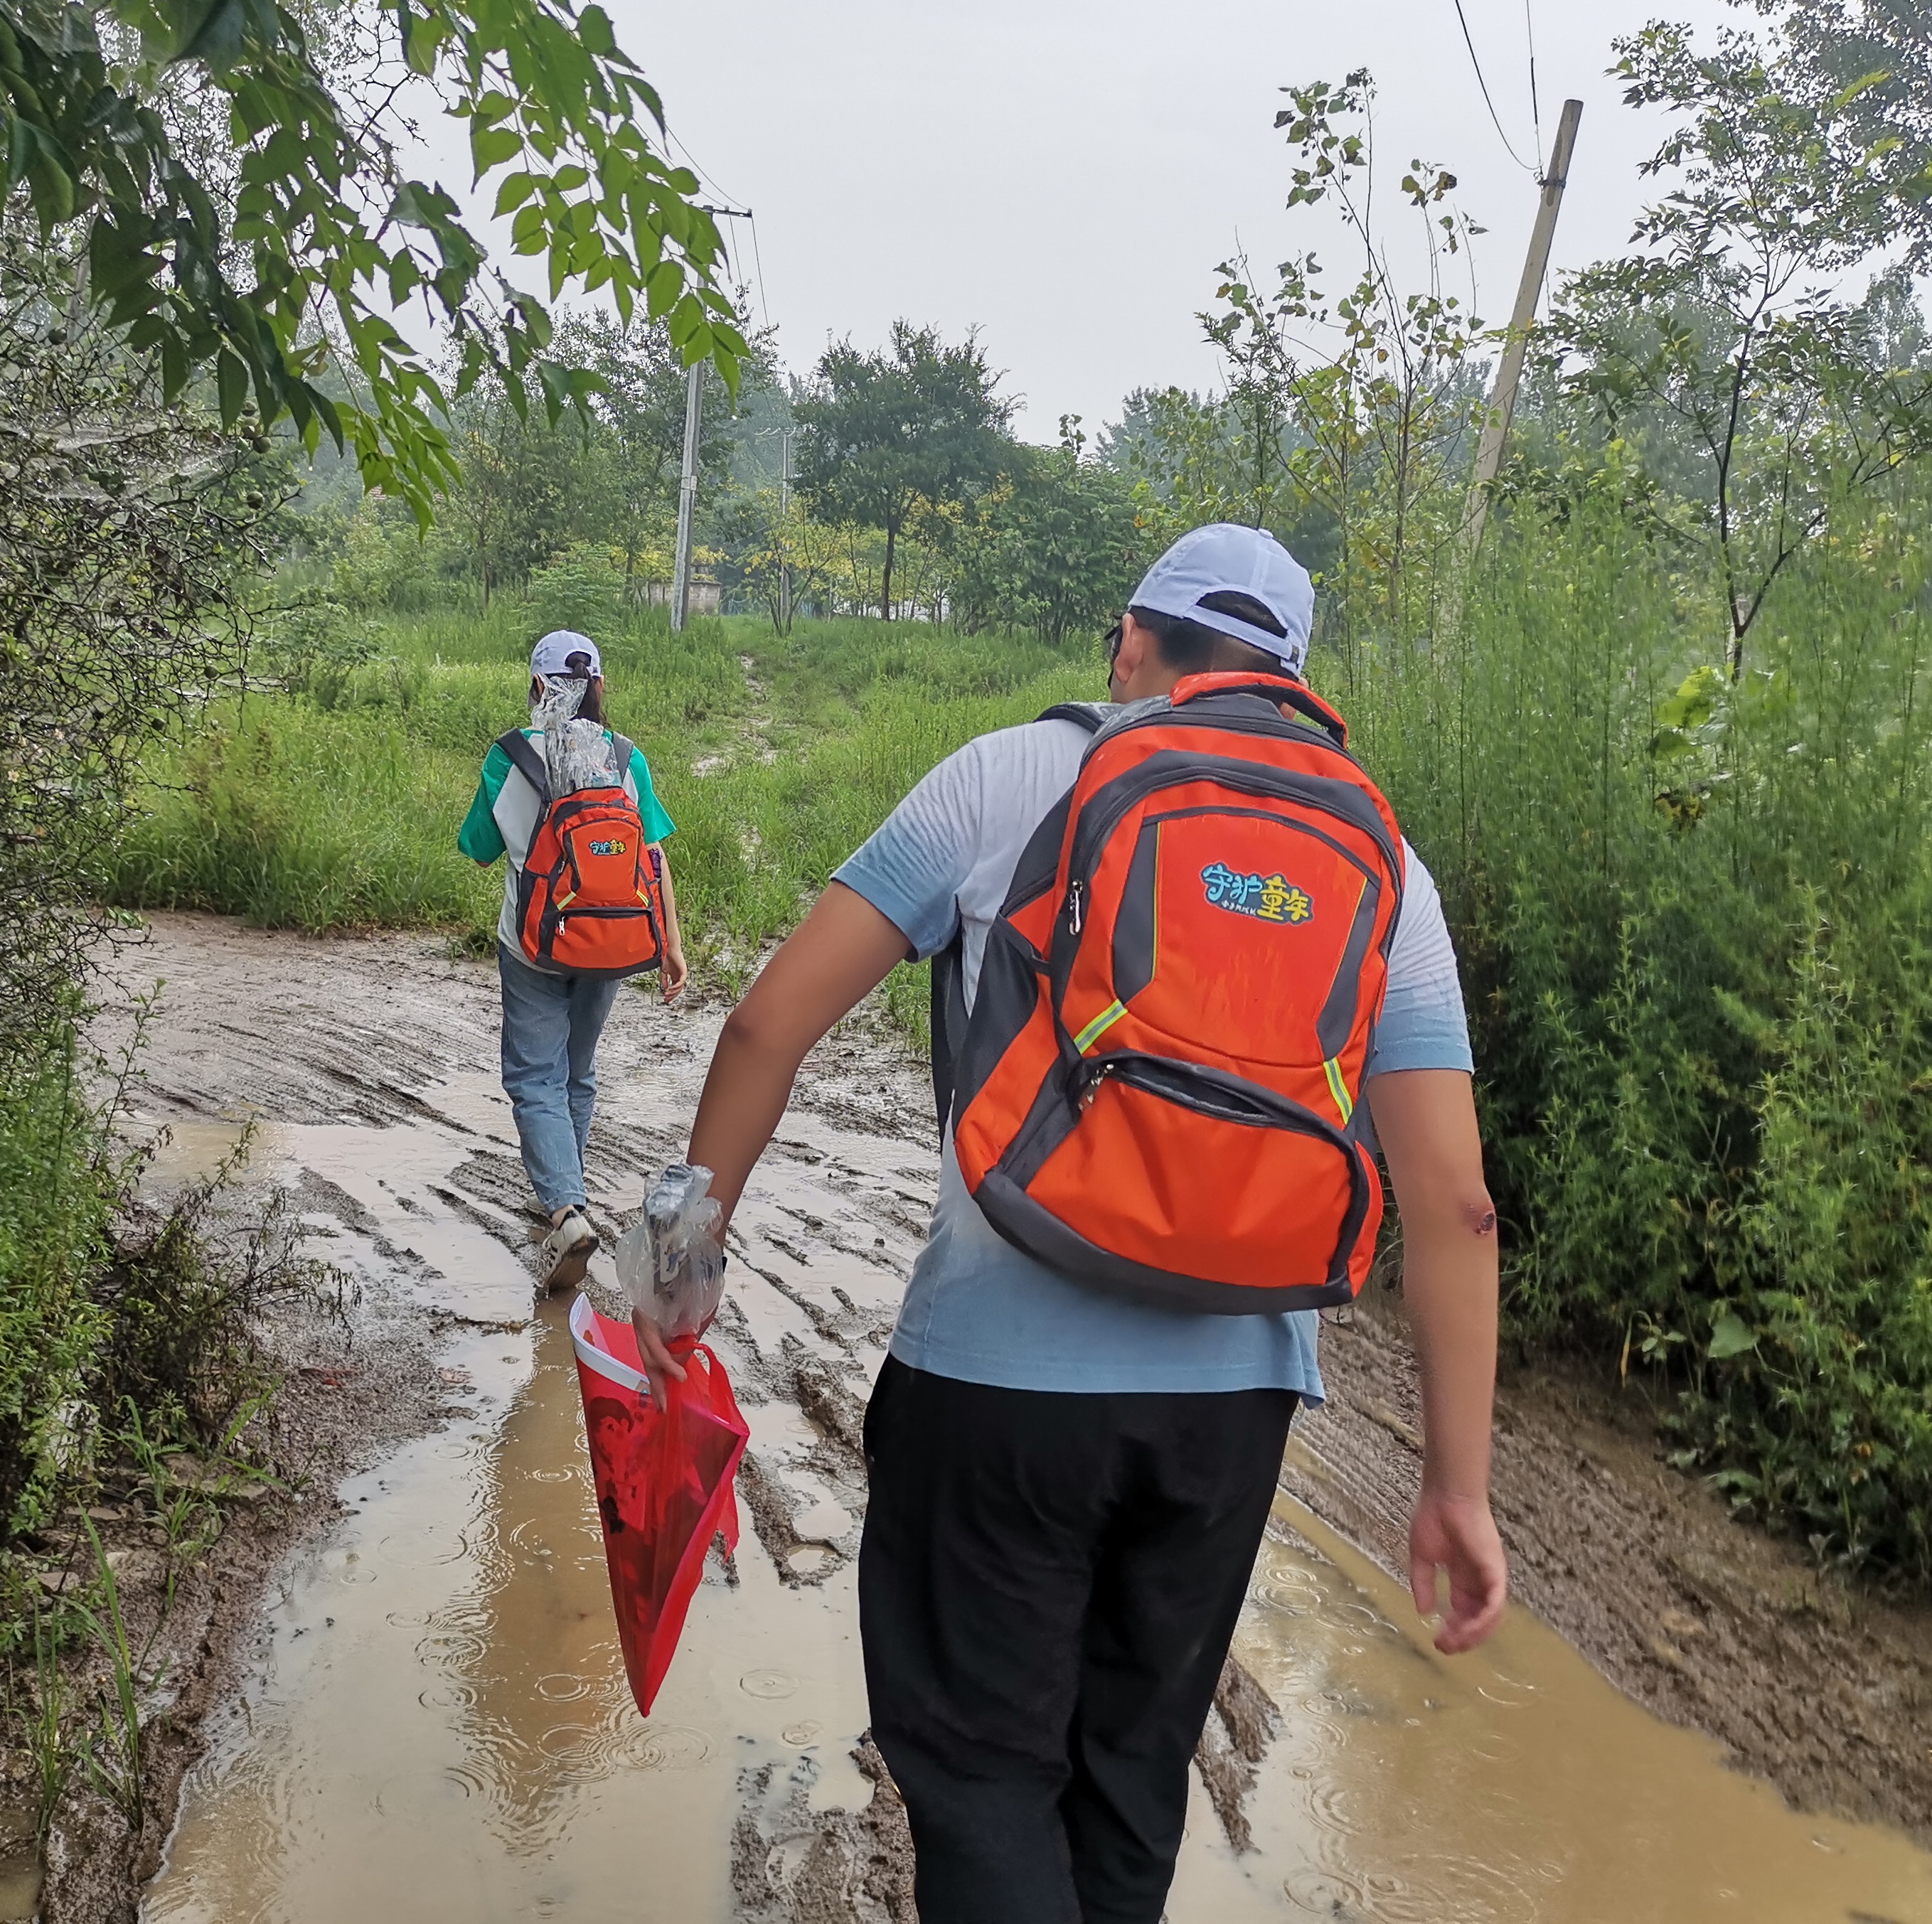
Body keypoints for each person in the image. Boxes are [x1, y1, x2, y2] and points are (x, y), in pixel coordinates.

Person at [646, 526, 1507, 1924]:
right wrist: (1455, 1489)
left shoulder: (1007, 778)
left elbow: (761, 1028)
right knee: (1129, 1773)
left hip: (991, 1388)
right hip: (1229, 1410)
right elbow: (1456, 1207)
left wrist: (681, 1276)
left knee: (983, 1778)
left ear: (1130, 643)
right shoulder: (1378, 863)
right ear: (1291, 680)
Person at [459, 629, 690, 1291]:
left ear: (538, 687)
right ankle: (567, 1194)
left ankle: (566, 1209)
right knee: (577, 1073)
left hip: (533, 944)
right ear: (598, 688)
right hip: (611, 944)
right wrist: (670, 943)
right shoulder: (625, 757)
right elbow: (653, 855)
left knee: (535, 1076)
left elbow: (477, 847)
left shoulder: (508, 757)